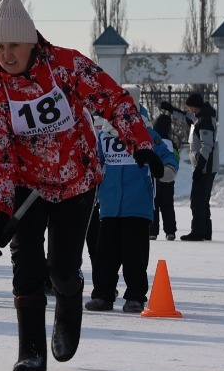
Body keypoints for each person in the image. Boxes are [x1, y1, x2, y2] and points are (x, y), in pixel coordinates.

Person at [0, 0, 158, 371]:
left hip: (76, 178)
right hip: (28, 184)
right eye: (0, 46)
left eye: (14, 46)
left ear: (32, 42)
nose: (7, 55)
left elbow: (113, 98)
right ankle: (30, 351)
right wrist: (0, 209)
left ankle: (70, 297)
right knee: (25, 265)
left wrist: (139, 143)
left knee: (60, 268)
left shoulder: (65, 65)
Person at [88, 109, 178, 312]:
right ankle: (103, 294)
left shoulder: (148, 136)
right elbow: (94, 162)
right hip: (110, 207)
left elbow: (167, 156)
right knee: (105, 255)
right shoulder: (104, 137)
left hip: (137, 205)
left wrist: (165, 169)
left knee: (134, 255)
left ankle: (135, 296)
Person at [161, 92, 216, 241]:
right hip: (205, 166)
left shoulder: (204, 121)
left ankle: (198, 231)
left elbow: (207, 146)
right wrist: (171, 109)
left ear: (194, 106)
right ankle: (205, 231)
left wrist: (200, 168)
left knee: (197, 200)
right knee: (203, 200)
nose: (188, 109)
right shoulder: (199, 117)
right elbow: (185, 116)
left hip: (205, 166)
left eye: (189, 106)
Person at [149, 110, 180, 241]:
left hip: (153, 177)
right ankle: (170, 231)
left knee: (153, 205)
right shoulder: (170, 142)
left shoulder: (152, 138)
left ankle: (152, 231)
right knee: (168, 205)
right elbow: (176, 158)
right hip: (167, 177)